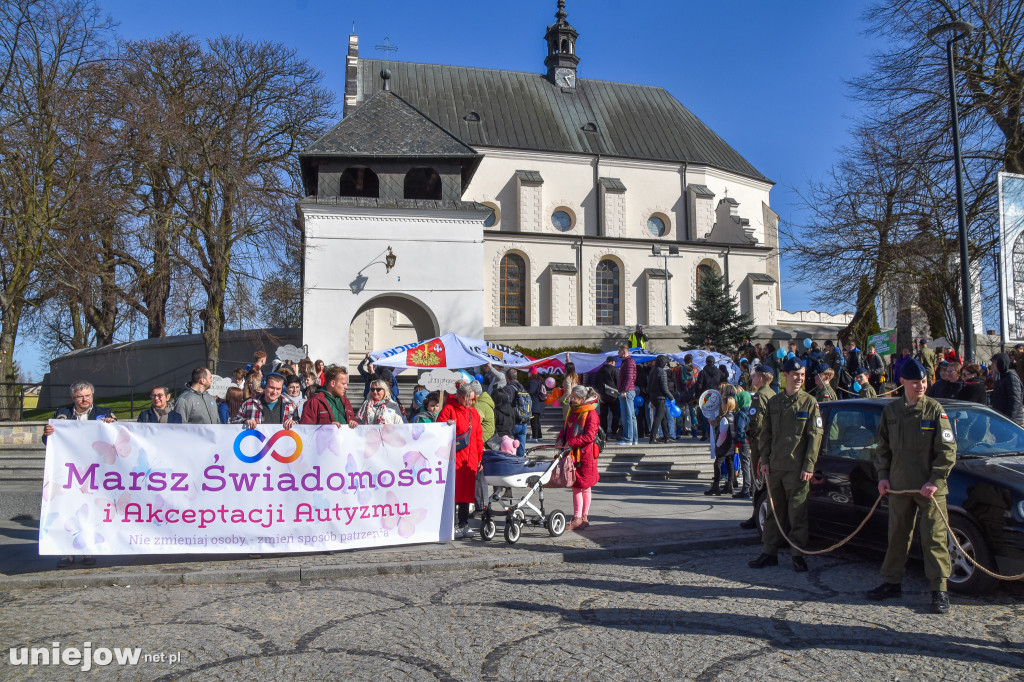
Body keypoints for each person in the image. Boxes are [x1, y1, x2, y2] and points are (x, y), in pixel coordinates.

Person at [866, 359, 957, 614]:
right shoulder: (891, 412)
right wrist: (883, 476)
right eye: (915, 382)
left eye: (924, 381)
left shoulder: (935, 410)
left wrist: (936, 480)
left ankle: (939, 590)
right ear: (903, 383)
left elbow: (947, 450)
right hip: (899, 487)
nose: (921, 386)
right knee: (897, 536)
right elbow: (882, 448)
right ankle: (891, 582)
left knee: (934, 539)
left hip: (929, 489)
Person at [748, 357, 822, 573]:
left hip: (797, 470)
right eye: (795, 375)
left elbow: (815, 436)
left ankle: (798, 555)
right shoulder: (775, 402)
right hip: (776, 468)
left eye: (802, 375)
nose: (799, 379)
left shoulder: (809, 402)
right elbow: (766, 434)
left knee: (797, 514)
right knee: (773, 512)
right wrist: (765, 460)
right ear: (786, 376)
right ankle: (769, 552)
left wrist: (809, 466)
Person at [438, 381, 483, 538]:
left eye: (471, 399)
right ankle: (452, 524)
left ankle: (464, 524)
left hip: (469, 460)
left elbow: (478, 437)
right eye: (467, 399)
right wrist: (446, 425)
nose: (469, 402)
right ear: (459, 397)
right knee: (454, 493)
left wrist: (480, 458)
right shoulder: (449, 409)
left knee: (466, 495)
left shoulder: (474, 414)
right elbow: (438, 429)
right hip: (454, 457)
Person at [557, 385, 601, 531]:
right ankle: (580, 517)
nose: (571, 400)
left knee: (583, 486)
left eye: (574, 398)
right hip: (573, 454)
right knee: (577, 486)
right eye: (571, 397)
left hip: (585, 455)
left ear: (583, 399)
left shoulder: (591, 414)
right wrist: (560, 440)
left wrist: (571, 442)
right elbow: (565, 428)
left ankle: (581, 518)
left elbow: (589, 436)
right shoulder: (573, 411)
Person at [233, 373, 300, 429]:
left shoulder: (291, 406)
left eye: (278, 389)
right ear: (264, 386)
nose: (274, 392)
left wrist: (294, 423)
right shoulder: (249, 404)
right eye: (271, 387)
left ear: (283, 389)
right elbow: (234, 422)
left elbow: (300, 427)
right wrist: (245, 421)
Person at [705, 394, 736, 496]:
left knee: (717, 464)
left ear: (726, 405)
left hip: (723, 446)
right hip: (731, 445)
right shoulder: (733, 417)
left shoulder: (724, 419)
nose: (721, 405)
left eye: (723, 403)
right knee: (730, 464)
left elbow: (722, 434)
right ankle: (730, 485)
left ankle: (716, 486)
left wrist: (717, 445)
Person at [989, 353, 1024, 425]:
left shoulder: (1011, 377)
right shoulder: (1000, 377)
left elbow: (1015, 401)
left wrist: (1007, 420)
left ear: (1000, 364)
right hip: (1001, 419)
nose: (992, 366)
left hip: (1011, 422)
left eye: (994, 364)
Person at [695, 356, 722, 441]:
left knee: (704, 414)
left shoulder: (702, 372)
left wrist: (698, 395)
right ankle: (715, 432)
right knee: (716, 413)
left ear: (706, 362)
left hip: (705, 396)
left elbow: (699, 385)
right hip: (716, 395)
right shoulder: (718, 372)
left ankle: (705, 433)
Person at [647, 354, 672, 444]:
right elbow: (664, 388)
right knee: (658, 417)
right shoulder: (662, 372)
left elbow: (649, 386)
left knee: (663, 417)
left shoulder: (652, 371)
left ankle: (666, 436)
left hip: (653, 396)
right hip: (660, 397)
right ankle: (652, 438)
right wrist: (671, 397)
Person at [616, 345, 638, 445]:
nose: (618, 353)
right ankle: (634, 439)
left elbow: (629, 378)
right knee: (631, 416)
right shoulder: (628, 362)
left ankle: (628, 439)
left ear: (624, 352)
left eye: (619, 352)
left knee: (627, 416)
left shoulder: (628, 362)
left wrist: (624, 390)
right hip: (629, 390)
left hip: (627, 391)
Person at [595, 355, 620, 437]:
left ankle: (603, 431)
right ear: (613, 362)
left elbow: (596, 382)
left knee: (603, 414)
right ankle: (614, 430)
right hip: (613, 396)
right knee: (616, 413)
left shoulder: (600, 370)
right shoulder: (614, 370)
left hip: (602, 396)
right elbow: (618, 382)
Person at [733, 390, 752, 498]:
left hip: (743, 442)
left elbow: (740, 429)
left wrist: (738, 440)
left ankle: (746, 488)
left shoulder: (741, 414)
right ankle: (751, 488)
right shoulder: (751, 411)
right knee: (750, 465)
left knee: (745, 465)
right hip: (750, 440)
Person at [471, 380, 496, 447]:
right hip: (488, 433)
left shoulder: (479, 405)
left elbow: (474, 422)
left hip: (483, 436)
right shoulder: (484, 401)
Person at [526, 368, 546, 442]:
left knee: (533, 421)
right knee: (537, 421)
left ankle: (534, 437)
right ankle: (539, 436)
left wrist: (525, 391)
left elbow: (531, 391)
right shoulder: (540, 380)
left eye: (529, 372)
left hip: (535, 403)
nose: (528, 374)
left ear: (532, 373)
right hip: (540, 403)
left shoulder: (533, 381)